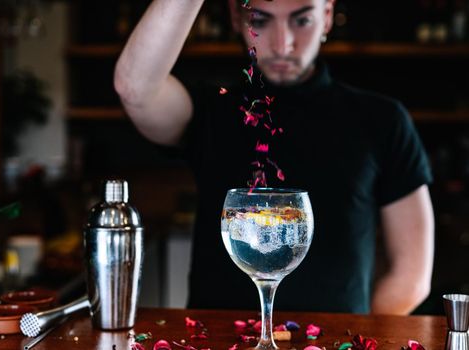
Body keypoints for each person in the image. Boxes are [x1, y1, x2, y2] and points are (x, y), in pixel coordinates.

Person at [114, 0, 435, 314]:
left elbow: (412, 275)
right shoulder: (212, 110)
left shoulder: (382, 119)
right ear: (237, 19)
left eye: (301, 20)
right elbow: (135, 89)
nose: (283, 44)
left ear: (326, 16)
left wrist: (357, 339)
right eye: (261, 21)